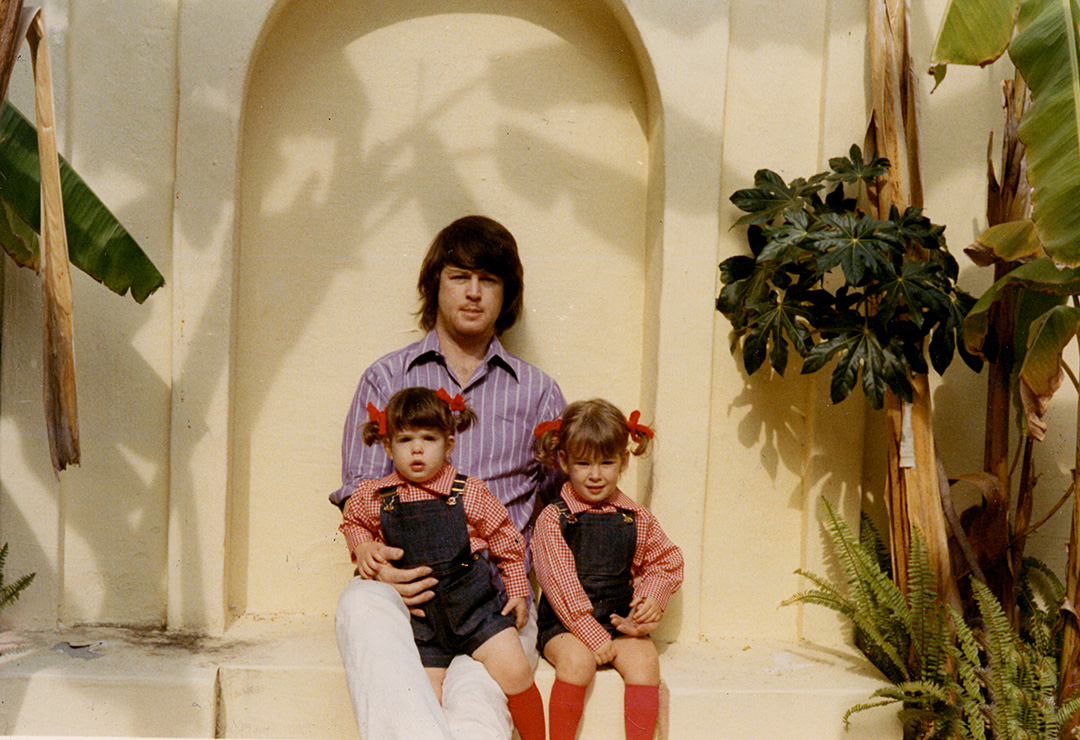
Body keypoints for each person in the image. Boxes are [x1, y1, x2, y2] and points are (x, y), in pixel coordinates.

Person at [331, 215, 566, 740]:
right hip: (404, 591)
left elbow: (559, 513)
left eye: (490, 279)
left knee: (477, 705)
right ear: (434, 283)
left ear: (507, 294)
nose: (474, 293)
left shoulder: (539, 393)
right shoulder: (387, 378)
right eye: (460, 276)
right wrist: (378, 568)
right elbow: (357, 496)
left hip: (491, 602)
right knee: (360, 604)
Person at [340, 386, 544, 740]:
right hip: (422, 624)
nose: (417, 448)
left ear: (449, 444)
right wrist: (363, 547)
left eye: (429, 438)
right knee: (424, 700)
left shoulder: (469, 492)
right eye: (405, 440)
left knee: (516, 671)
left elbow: (505, 537)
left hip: (475, 611)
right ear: (388, 447)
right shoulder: (376, 496)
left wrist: (516, 585)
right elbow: (353, 522)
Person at [531, 399, 684, 740]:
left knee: (645, 660)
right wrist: (590, 632)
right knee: (577, 662)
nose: (596, 475)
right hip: (566, 625)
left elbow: (665, 561)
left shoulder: (636, 517)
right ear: (564, 462)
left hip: (616, 621)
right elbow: (559, 584)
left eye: (607, 462)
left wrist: (649, 602)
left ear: (624, 461)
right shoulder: (554, 519)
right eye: (584, 463)